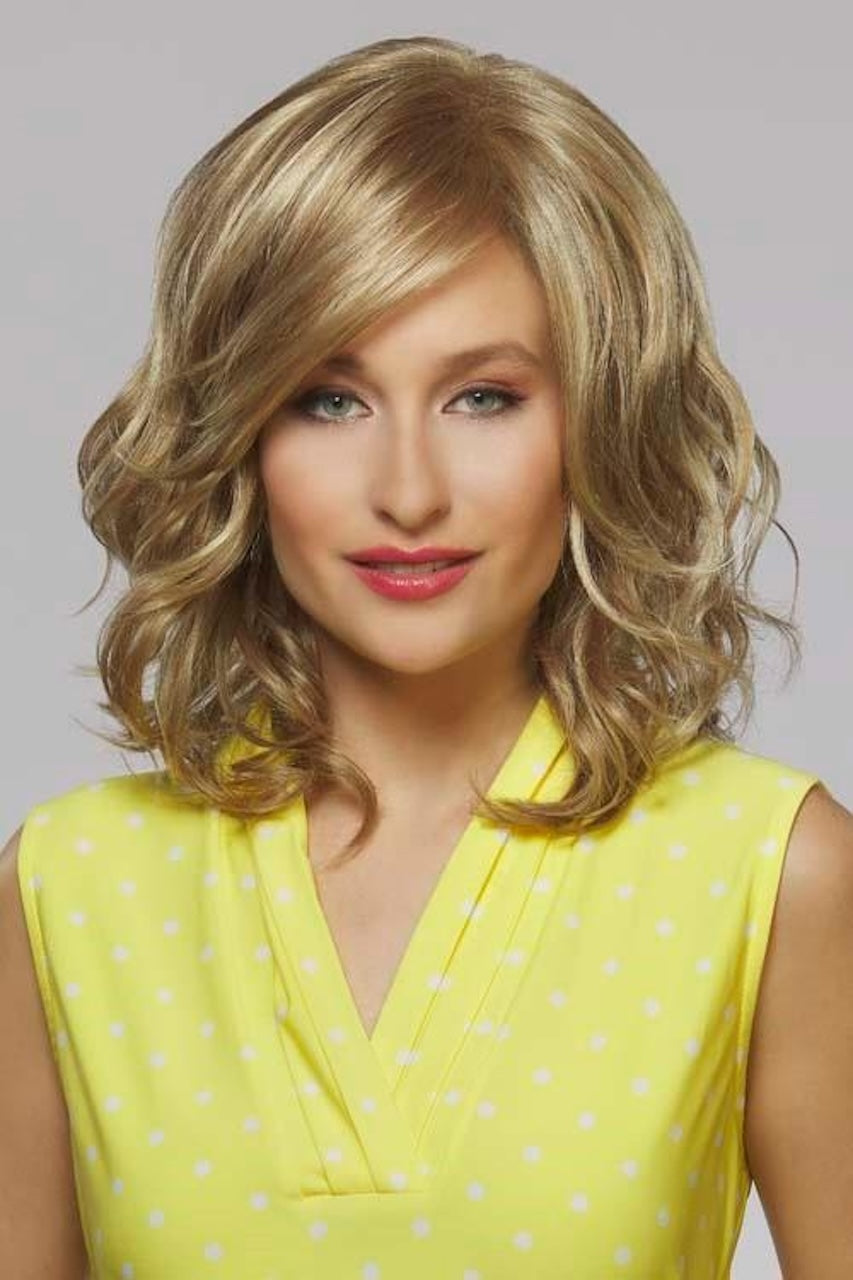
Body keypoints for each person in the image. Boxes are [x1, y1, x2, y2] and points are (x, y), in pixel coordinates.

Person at [1, 33, 851, 1280]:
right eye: (328, 398)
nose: (407, 490)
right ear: (241, 436)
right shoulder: (70, 888)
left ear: (598, 417)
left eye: (483, 396)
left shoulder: (770, 870)